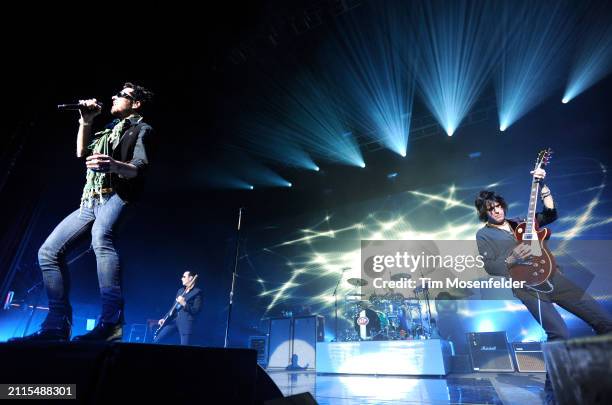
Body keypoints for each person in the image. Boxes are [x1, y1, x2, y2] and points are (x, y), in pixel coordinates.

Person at [11, 82, 154, 342]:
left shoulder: (140, 129)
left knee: (101, 239)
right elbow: (81, 152)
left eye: (121, 95)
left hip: (117, 196)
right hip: (90, 201)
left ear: (136, 103)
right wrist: (86, 121)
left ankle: (112, 324)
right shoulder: (108, 131)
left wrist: (113, 164)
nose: (113, 96)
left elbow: (138, 168)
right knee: (48, 252)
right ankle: (58, 323)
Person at [475, 167, 612, 403]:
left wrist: (544, 188)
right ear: (484, 213)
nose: (497, 211)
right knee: (559, 333)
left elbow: (550, 214)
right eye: (491, 209)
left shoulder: (521, 222)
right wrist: (513, 257)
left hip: (554, 277)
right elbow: (490, 267)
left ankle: (600, 376)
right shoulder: (484, 235)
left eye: (498, 206)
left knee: (606, 323)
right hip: (527, 287)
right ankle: (553, 390)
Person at [154, 271, 202, 345]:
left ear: (191, 278)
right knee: (157, 340)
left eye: (184, 277)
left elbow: (196, 310)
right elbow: (173, 307)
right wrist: (164, 318)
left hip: (186, 323)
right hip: (173, 320)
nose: (181, 278)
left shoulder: (197, 292)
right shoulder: (180, 291)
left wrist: (184, 303)